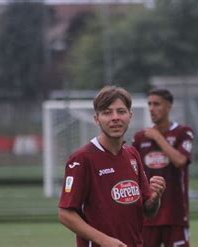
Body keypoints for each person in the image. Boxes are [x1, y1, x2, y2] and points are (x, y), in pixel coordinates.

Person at [58, 86, 166, 247]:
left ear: (130, 116)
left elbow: (147, 211)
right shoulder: (82, 159)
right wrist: (104, 241)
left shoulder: (132, 154)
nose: (115, 118)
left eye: (121, 111)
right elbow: (65, 214)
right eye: (107, 112)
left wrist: (156, 198)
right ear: (96, 119)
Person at [132, 89, 194, 247]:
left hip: (175, 214)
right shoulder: (140, 137)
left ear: (169, 106)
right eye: (149, 104)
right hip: (148, 214)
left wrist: (158, 137)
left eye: (157, 104)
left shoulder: (183, 132)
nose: (151, 108)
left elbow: (180, 160)